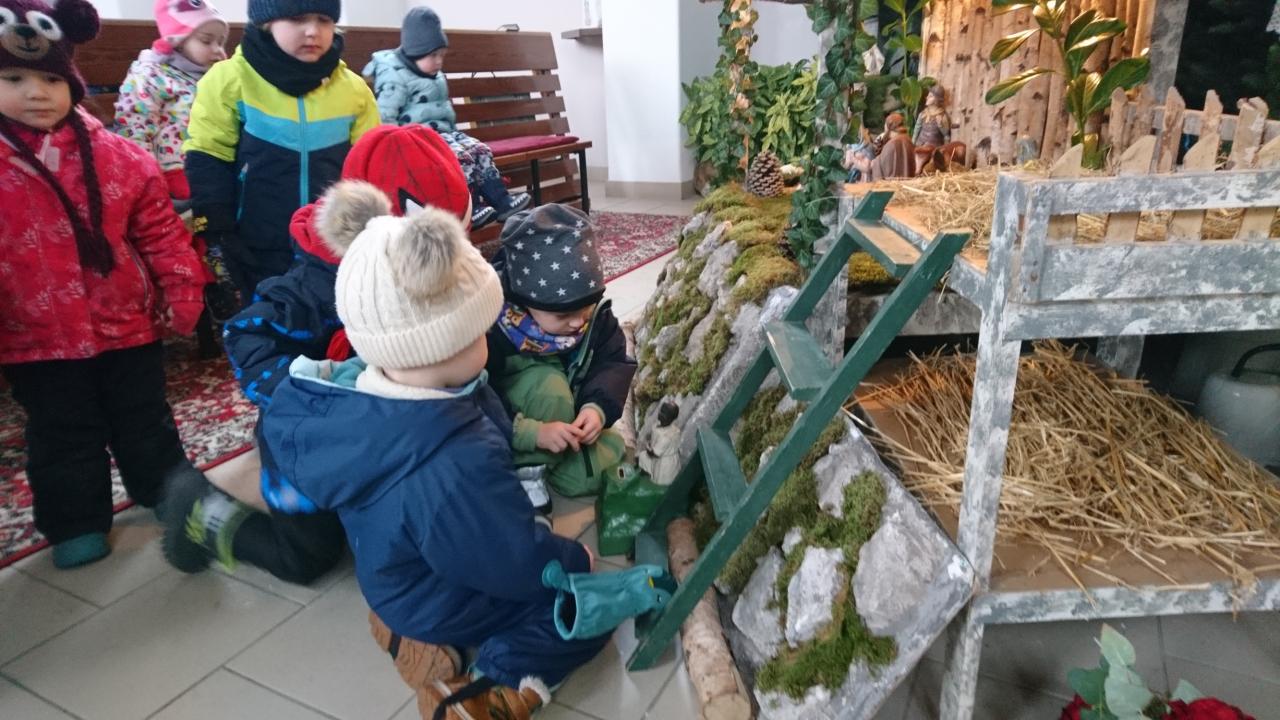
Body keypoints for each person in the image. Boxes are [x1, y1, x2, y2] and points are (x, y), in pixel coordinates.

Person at [256, 179, 608, 718]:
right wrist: (570, 560)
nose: (486, 342)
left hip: (394, 578)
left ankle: (406, 632)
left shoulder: (365, 396)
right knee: (582, 609)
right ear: (444, 342)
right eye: (478, 332)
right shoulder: (451, 455)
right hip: (440, 590)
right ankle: (487, 692)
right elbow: (506, 558)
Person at [160, 123, 472, 585]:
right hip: (304, 430)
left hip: (374, 423)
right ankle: (204, 510)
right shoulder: (317, 286)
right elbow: (246, 335)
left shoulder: (438, 272)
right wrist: (308, 392)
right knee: (307, 556)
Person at [0, 0, 205, 569]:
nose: (37, 93)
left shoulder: (120, 159)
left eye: (50, 79)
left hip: (126, 322)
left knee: (145, 417)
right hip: (35, 335)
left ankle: (166, 490)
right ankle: (75, 522)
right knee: (62, 432)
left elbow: (160, 232)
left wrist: (181, 289)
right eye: (13, 79)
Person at [184, 0, 379, 313]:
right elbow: (208, 154)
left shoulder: (353, 90)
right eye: (297, 18)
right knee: (267, 318)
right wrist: (217, 228)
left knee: (336, 318)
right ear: (267, 23)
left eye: (324, 20)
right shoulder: (230, 80)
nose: (313, 31)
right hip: (257, 239)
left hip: (332, 239)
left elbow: (371, 163)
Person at [486, 204, 636, 508]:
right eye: (564, 315)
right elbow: (478, 397)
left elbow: (613, 363)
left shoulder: (596, 320)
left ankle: (553, 462)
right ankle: (526, 471)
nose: (578, 322)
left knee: (592, 474)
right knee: (550, 389)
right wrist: (531, 433)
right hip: (516, 427)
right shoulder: (495, 329)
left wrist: (597, 408)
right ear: (525, 302)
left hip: (567, 418)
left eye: (586, 308)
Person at [363, 6, 530, 230]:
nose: (439, 61)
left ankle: (501, 201)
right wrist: (394, 149)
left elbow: (443, 109)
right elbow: (386, 117)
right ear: (414, 51)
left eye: (441, 55)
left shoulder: (433, 74)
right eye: (433, 55)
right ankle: (470, 206)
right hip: (416, 141)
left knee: (479, 149)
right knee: (459, 157)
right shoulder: (394, 77)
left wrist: (455, 132)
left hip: (444, 134)